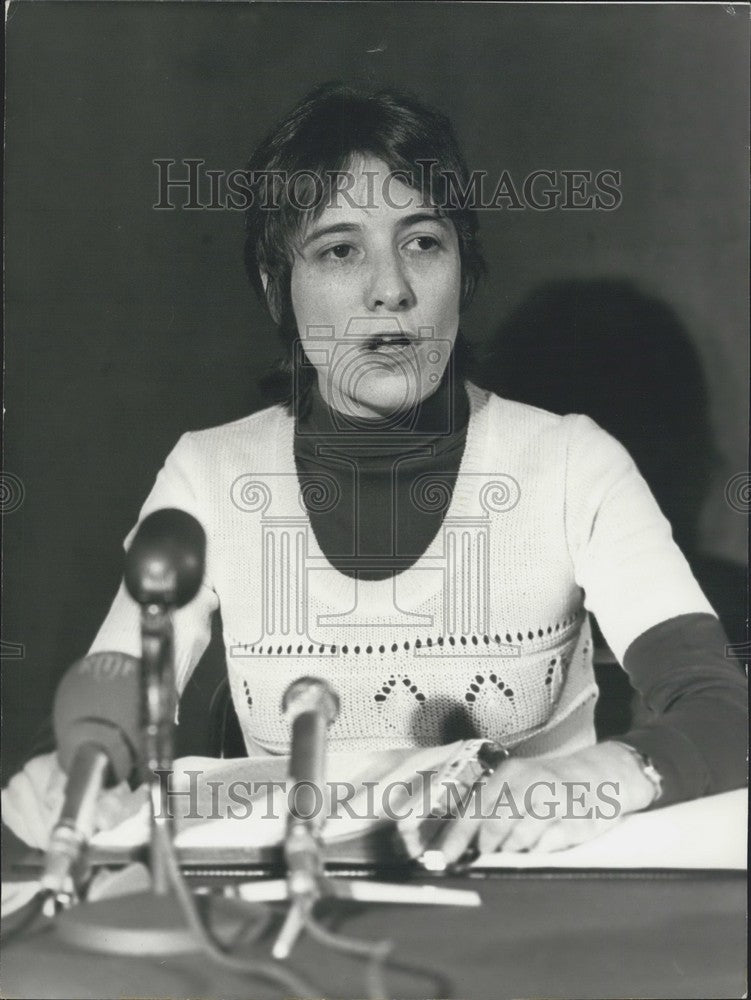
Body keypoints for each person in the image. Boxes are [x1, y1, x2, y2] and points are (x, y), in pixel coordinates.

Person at [5, 82, 747, 863]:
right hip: (294, 922)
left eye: (423, 241)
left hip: (523, 920)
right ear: (276, 289)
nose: (390, 288)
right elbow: (114, 707)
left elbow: (723, 710)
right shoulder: (209, 473)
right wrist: (74, 774)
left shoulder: (571, 462)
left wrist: (601, 776)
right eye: (338, 249)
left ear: (464, 267)